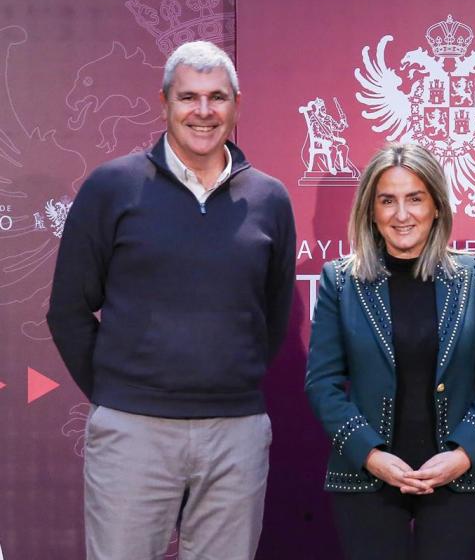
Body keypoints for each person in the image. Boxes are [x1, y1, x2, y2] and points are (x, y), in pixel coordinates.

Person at [46, 40, 296, 560]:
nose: (203, 113)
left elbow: (271, 316)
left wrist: (228, 381)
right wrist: (120, 390)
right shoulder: (112, 186)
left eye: (217, 98)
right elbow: (68, 308)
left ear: (237, 105)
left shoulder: (270, 199)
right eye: (188, 98)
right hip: (133, 431)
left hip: (236, 434)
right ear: (163, 103)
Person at [304, 142, 475, 560]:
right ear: (371, 210)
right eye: (388, 201)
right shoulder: (340, 281)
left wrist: (462, 453)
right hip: (367, 477)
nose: (402, 215)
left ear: (436, 205)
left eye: (415, 198)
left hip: (458, 477)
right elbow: (323, 384)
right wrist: (370, 454)